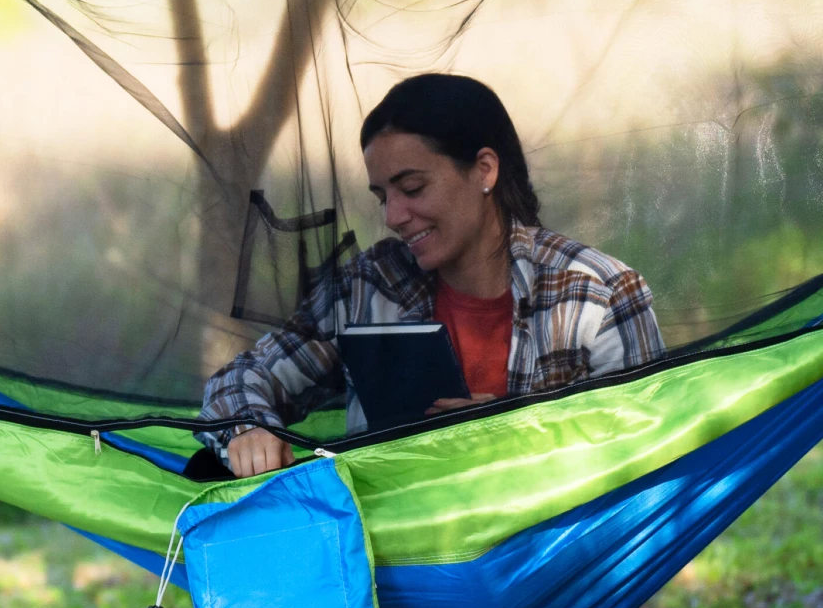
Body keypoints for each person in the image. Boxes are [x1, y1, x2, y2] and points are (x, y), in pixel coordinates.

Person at [197, 74, 664, 477]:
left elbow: (649, 445)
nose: (394, 216)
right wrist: (247, 430)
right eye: (382, 196)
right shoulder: (366, 287)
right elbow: (239, 380)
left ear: (484, 169)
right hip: (398, 563)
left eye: (412, 187)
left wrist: (513, 435)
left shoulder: (597, 295)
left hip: (552, 562)